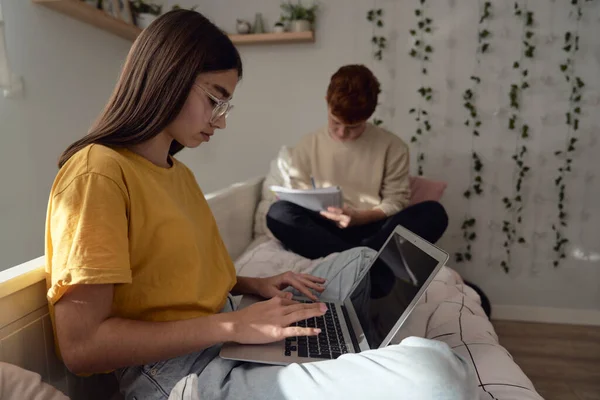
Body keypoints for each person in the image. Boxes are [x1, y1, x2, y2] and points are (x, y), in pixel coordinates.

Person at [45, 11, 476, 400]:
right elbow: (82, 348)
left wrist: (253, 284)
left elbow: (174, 279)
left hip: (226, 324)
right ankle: (354, 352)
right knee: (437, 376)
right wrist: (233, 327)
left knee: (361, 261)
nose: (222, 120)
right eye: (215, 99)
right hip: (179, 371)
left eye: (226, 104)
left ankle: (344, 342)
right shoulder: (97, 174)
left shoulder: (177, 172)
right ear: (168, 76)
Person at [266, 65, 449, 297]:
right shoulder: (307, 144)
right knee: (277, 213)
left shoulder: (393, 146)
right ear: (326, 102)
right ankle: (371, 268)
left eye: (352, 128)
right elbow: (298, 194)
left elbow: (396, 200)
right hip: (326, 229)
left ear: (369, 115)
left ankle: (357, 263)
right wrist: (323, 210)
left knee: (434, 212)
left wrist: (360, 216)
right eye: (335, 122)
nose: (342, 133)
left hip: (373, 228)